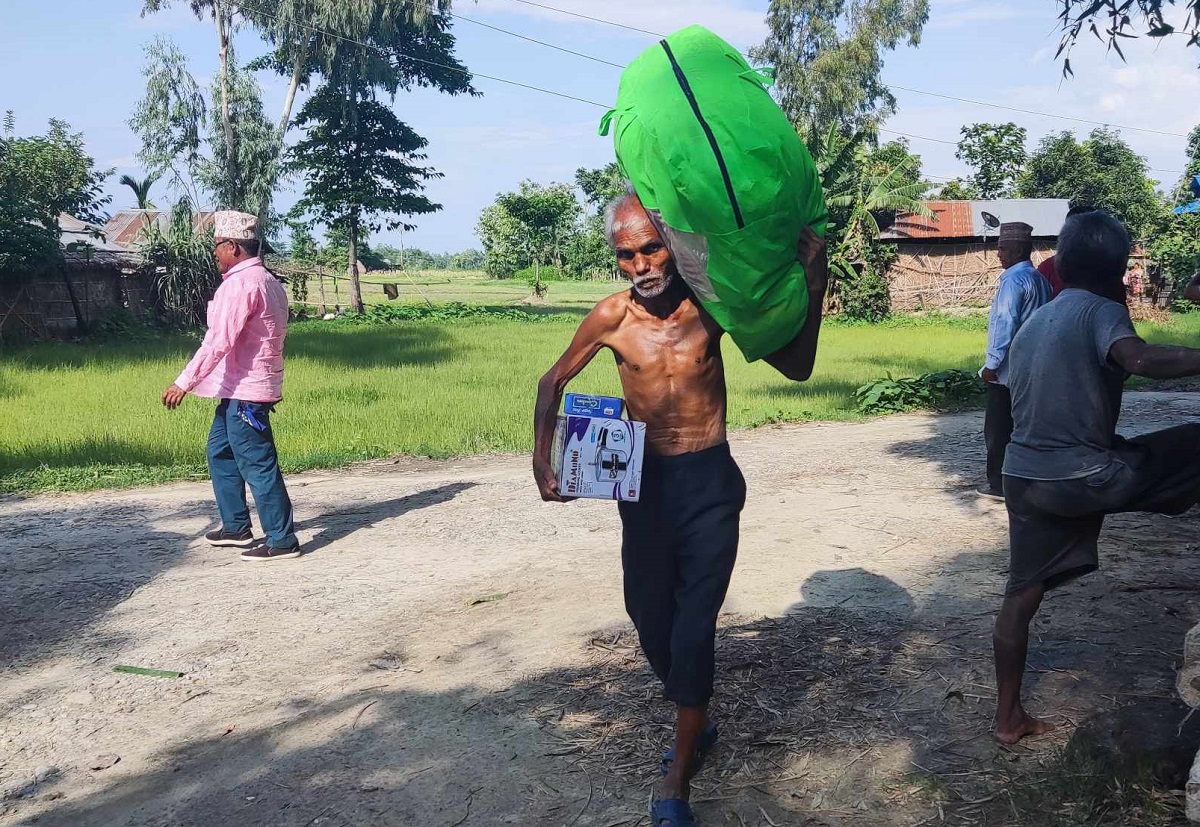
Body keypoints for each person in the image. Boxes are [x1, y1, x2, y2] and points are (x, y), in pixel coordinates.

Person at [533, 193, 827, 827]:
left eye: (650, 247)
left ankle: (680, 765)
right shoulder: (611, 317)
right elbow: (551, 382)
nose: (641, 264)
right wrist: (543, 461)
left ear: (672, 242)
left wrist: (813, 272)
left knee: (695, 624)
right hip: (642, 483)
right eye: (626, 254)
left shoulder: (711, 307)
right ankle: (695, 710)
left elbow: (798, 364)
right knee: (647, 613)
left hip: (710, 480)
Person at [993, 210, 1200, 744]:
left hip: (1023, 476)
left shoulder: (1039, 319)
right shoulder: (1101, 309)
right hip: (1083, 475)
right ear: (1120, 270)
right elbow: (1137, 359)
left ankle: (1008, 720)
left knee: (1021, 595)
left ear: (1059, 264)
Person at [162, 210, 299, 562]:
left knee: (257, 463)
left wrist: (184, 382)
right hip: (237, 389)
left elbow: (218, 341)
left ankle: (282, 540)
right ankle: (236, 526)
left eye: (218, 246)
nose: (214, 253)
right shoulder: (267, 280)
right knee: (220, 452)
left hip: (247, 392)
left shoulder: (240, 284)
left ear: (234, 247)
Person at [979, 222, 1053, 500]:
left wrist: (992, 363)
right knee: (1026, 426)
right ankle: (1026, 479)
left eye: (1002, 249)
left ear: (1019, 249)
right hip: (1033, 365)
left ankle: (998, 484)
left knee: (998, 429)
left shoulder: (1013, 280)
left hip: (1008, 369)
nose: (998, 254)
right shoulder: (1040, 280)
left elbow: (1005, 322)